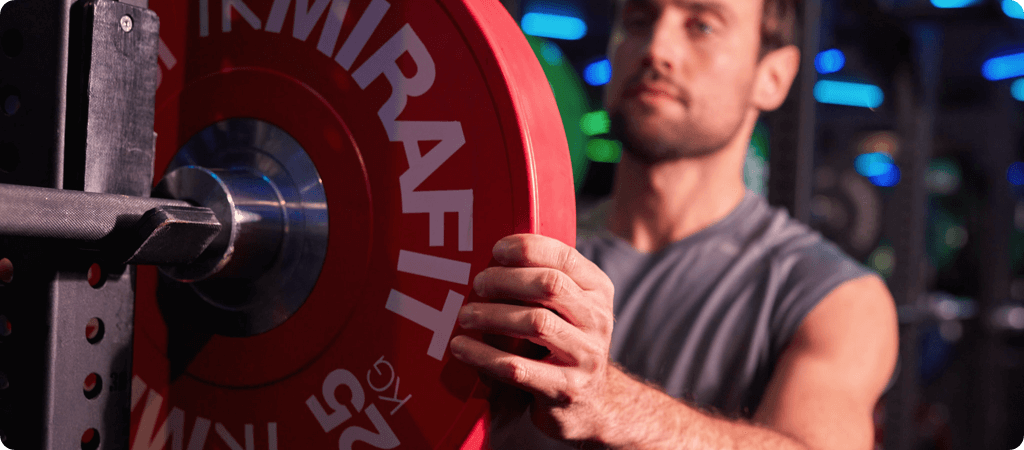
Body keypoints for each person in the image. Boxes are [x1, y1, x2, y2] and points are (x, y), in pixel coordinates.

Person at [449, 0, 899, 448]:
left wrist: (609, 403)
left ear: (773, 77)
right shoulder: (519, 254)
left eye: (701, 25)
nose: (656, 47)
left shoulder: (837, 298)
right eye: (640, 21)